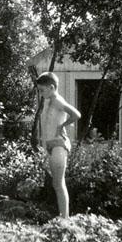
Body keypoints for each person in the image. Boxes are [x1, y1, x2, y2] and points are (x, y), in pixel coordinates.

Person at [37, 72, 81, 219]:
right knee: (56, 184)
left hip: (58, 146)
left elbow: (76, 114)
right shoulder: (48, 101)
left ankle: (65, 219)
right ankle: (63, 218)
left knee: (59, 184)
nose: (41, 93)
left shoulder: (57, 101)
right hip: (51, 146)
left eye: (42, 90)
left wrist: (63, 125)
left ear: (51, 87)